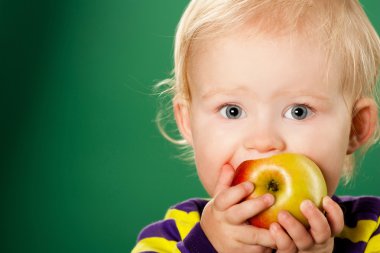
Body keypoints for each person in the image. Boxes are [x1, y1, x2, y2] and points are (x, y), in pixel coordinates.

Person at [132, 0, 380, 252]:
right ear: (188, 123)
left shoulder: (372, 229)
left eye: (298, 111)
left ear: (354, 127)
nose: (263, 141)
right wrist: (207, 247)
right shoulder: (172, 237)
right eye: (233, 111)